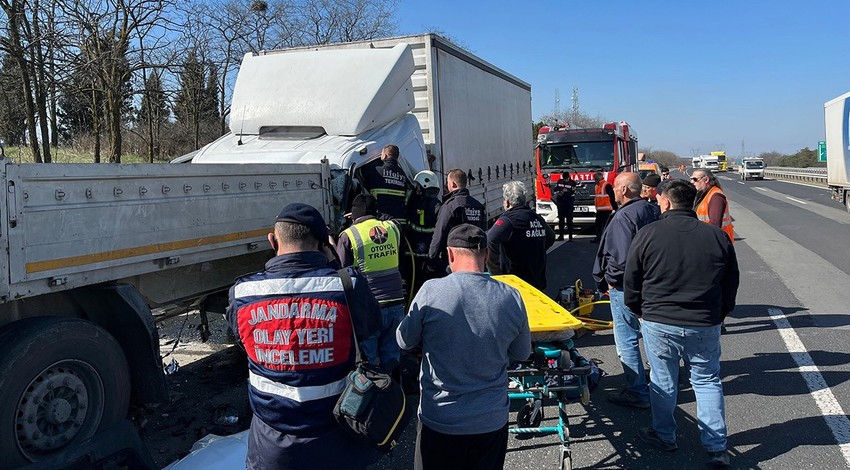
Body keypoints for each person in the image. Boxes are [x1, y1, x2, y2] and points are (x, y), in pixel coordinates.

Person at [227, 203, 382, 469]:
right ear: (324, 244)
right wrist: (335, 264)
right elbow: (370, 328)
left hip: (271, 444)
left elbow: (242, 340)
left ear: (272, 240)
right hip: (337, 436)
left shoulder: (242, 293)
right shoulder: (349, 285)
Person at [624, 179, 739, 468]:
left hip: (659, 320)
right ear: (693, 202)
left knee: (663, 380)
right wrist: (720, 313)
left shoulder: (648, 234)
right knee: (707, 380)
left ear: (664, 201)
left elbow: (632, 281)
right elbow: (731, 282)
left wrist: (639, 310)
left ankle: (665, 435)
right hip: (704, 321)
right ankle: (716, 448)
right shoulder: (716, 237)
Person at [397, 223, 532, 470]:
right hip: (490, 421)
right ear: (486, 255)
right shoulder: (511, 296)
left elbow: (404, 340)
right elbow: (522, 353)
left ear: (449, 255)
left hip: (440, 419)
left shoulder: (431, 292)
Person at [592, 172, 659, 408]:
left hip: (626, 288)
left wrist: (610, 281)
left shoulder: (623, 218)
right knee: (651, 336)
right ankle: (662, 385)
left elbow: (619, 259)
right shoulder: (652, 210)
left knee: (627, 340)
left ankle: (637, 391)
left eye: (617, 188)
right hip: (652, 284)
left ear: (623, 190)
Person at [336, 194, 405, 375]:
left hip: (369, 307)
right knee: (391, 356)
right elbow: (390, 220)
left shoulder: (348, 235)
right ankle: (393, 394)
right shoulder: (393, 228)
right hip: (396, 301)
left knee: (369, 362)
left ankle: (374, 396)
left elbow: (342, 273)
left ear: (353, 215)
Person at [487, 180, 555, 290]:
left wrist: (495, 270)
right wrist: (535, 251)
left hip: (514, 284)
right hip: (537, 282)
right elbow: (551, 237)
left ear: (507, 202)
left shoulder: (508, 220)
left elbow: (490, 239)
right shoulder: (537, 218)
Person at [428, 168, 486, 275]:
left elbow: (439, 235)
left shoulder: (450, 206)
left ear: (453, 184)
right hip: (476, 261)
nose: (446, 186)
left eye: (447, 183)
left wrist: (431, 260)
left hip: (455, 262)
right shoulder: (478, 206)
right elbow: (484, 234)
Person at [406, 171, 442, 294]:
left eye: (418, 186)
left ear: (424, 187)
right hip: (422, 251)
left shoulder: (416, 202)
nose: (416, 190)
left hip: (421, 252)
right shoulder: (435, 204)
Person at [359, 144, 412, 225]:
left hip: (381, 220)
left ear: (384, 155)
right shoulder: (404, 174)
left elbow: (360, 174)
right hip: (399, 221)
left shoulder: (374, 169)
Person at [691, 169, 734, 243]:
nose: (692, 182)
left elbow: (715, 224)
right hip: (711, 240)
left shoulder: (716, 197)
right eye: (691, 179)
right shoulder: (704, 194)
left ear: (706, 179)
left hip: (717, 242)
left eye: (695, 179)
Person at [551, 171, 577, 241]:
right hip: (561, 203)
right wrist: (559, 192)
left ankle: (570, 236)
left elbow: (573, 192)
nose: (565, 180)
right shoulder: (560, 181)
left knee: (569, 220)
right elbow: (555, 189)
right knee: (561, 220)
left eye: (566, 179)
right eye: (564, 179)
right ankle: (561, 236)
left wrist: (565, 193)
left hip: (569, 203)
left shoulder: (573, 183)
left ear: (569, 177)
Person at [592, 171, 618, 242]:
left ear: (598, 178)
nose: (594, 180)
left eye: (595, 179)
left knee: (605, 225)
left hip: (606, 209)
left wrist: (615, 208)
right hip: (600, 210)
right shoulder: (597, 186)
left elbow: (612, 197)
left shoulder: (606, 185)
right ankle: (599, 237)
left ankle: (605, 238)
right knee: (598, 224)